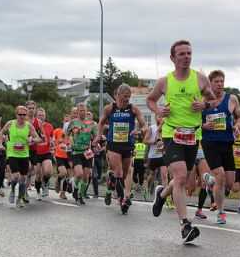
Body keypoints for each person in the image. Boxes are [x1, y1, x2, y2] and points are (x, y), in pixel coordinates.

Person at [146, 39, 215, 243]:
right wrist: (158, 110)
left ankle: (161, 194)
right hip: (171, 134)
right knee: (181, 175)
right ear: (173, 58)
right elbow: (150, 100)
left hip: (193, 135)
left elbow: (212, 101)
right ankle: (185, 225)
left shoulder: (201, 79)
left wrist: (203, 105)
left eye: (189, 53)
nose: (186, 57)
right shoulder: (164, 81)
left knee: (182, 179)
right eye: (182, 54)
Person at [98, 84, 148, 214]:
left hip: (128, 145)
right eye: (125, 97)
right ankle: (122, 200)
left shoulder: (133, 109)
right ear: (118, 95)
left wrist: (139, 130)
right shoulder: (110, 109)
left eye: (129, 97)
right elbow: (101, 122)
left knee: (125, 174)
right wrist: (99, 135)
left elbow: (144, 125)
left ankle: (110, 184)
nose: (127, 99)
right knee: (119, 173)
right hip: (113, 145)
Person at [201, 70, 240, 224]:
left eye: (222, 81)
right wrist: (204, 125)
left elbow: (239, 117)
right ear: (210, 83)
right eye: (216, 81)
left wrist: (236, 126)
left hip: (227, 143)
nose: (219, 84)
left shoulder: (232, 99)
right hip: (210, 143)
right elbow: (193, 122)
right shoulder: (202, 100)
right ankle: (220, 212)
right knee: (221, 176)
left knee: (230, 184)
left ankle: (209, 180)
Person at [0, 106, 42, 208]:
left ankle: (19, 198)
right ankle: (13, 190)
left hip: (24, 155)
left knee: (23, 178)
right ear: (16, 115)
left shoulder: (29, 126)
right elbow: (1, 133)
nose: (22, 116)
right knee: (16, 176)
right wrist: (1, 144)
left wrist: (31, 139)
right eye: (20, 114)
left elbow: (38, 139)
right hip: (12, 154)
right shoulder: (10, 124)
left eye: (24, 115)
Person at [68, 103, 98, 205]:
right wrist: (70, 141)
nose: (82, 112)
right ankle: (76, 188)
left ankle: (81, 194)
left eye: (83, 110)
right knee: (79, 174)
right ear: (77, 112)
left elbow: (96, 136)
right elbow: (66, 135)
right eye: (80, 111)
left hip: (87, 152)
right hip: (76, 151)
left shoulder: (92, 124)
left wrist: (96, 143)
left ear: (86, 111)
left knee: (86, 176)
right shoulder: (73, 122)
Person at [143, 115, 168, 198]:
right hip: (153, 156)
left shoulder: (166, 128)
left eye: (161, 117)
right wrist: (154, 142)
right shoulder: (152, 128)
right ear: (155, 118)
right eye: (158, 117)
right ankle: (146, 189)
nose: (160, 118)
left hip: (163, 155)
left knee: (164, 175)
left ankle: (166, 196)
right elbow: (145, 140)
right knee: (151, 175)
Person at [33, 108, 54, 201]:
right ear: (36, 116)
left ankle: (45, 183)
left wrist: (52, 142)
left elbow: (52, 137)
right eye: (39, 115)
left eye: (43, 115)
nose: (41, 117)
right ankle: (38, 192)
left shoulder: (49, 126)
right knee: (37, 175)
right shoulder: (32, 126)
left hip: (46, 152)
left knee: (48, 172)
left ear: (45, 116)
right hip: (36, 153)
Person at [53, 126, 71, 200]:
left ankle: (63, 193)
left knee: (68, 176)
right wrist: (54, 152)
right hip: (59, 155)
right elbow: (52, 141)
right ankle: (58, 179)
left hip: (69, 157)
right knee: (63, 173)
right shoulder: (57, 131)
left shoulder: (73, 134)